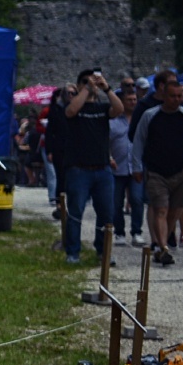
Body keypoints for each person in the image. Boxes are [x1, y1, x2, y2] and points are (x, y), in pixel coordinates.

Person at [133, 79, 183, 266]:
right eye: (172, 96)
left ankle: (162, 243)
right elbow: (139, 141)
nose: (176, 100)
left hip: (181, 171)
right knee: (160, 208)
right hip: (156, 171)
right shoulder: (150, 116)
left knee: (175, 211)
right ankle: (163, 247)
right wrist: (137, 166)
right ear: (164, 96)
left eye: (179, 96)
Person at [56, 68, 114, 264]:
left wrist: (108, 88)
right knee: (76, 212)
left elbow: (120, 109)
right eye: (88, 83)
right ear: (80, 85)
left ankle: (103, 251)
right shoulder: (75, 107)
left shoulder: (103, 108)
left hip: (102, 169)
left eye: (94, 83)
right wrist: (86, 89)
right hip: (79, 169)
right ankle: (73, 253)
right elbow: (71, 111)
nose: (93, 87)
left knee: (106, 213)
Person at [111, 87, 146, 245]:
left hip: (136, 167)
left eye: (134, 100)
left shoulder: (141, 120)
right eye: (129, 100)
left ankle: (136, 231)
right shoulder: (112, 121)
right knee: (116, 202)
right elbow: (105, 142)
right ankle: (119, 232)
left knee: (137, 200)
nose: (132, 102)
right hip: (118, 167)